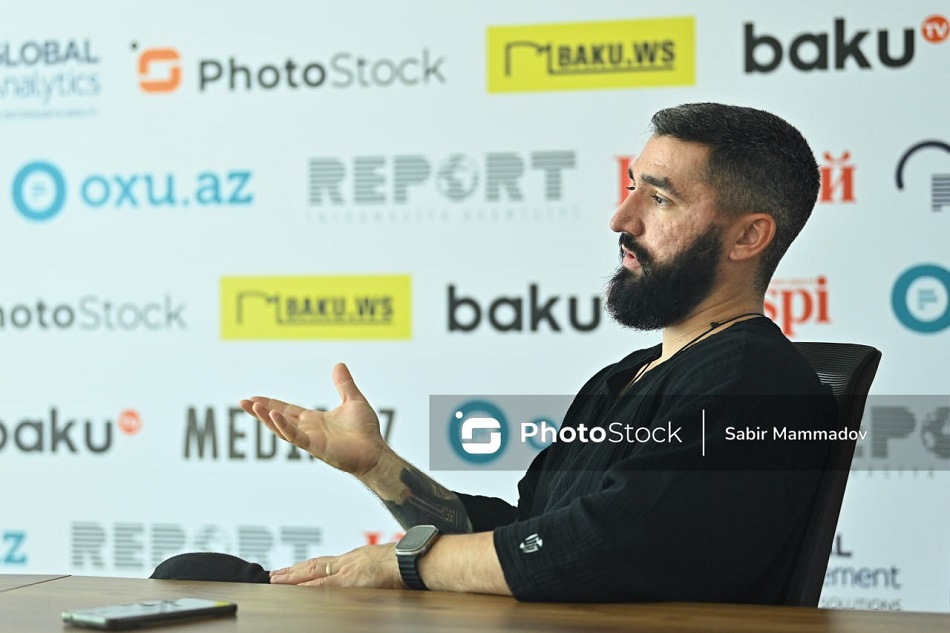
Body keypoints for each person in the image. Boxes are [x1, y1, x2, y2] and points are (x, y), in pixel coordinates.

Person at [152, 102, 836, 603]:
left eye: (658, 199)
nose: (621, 219)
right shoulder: (622, 379)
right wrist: (381, 469)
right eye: (631, 186)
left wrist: (402, 563)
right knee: (192, 577)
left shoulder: (757, 384)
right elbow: (528, 533)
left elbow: (599, 547)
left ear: (748, 237)